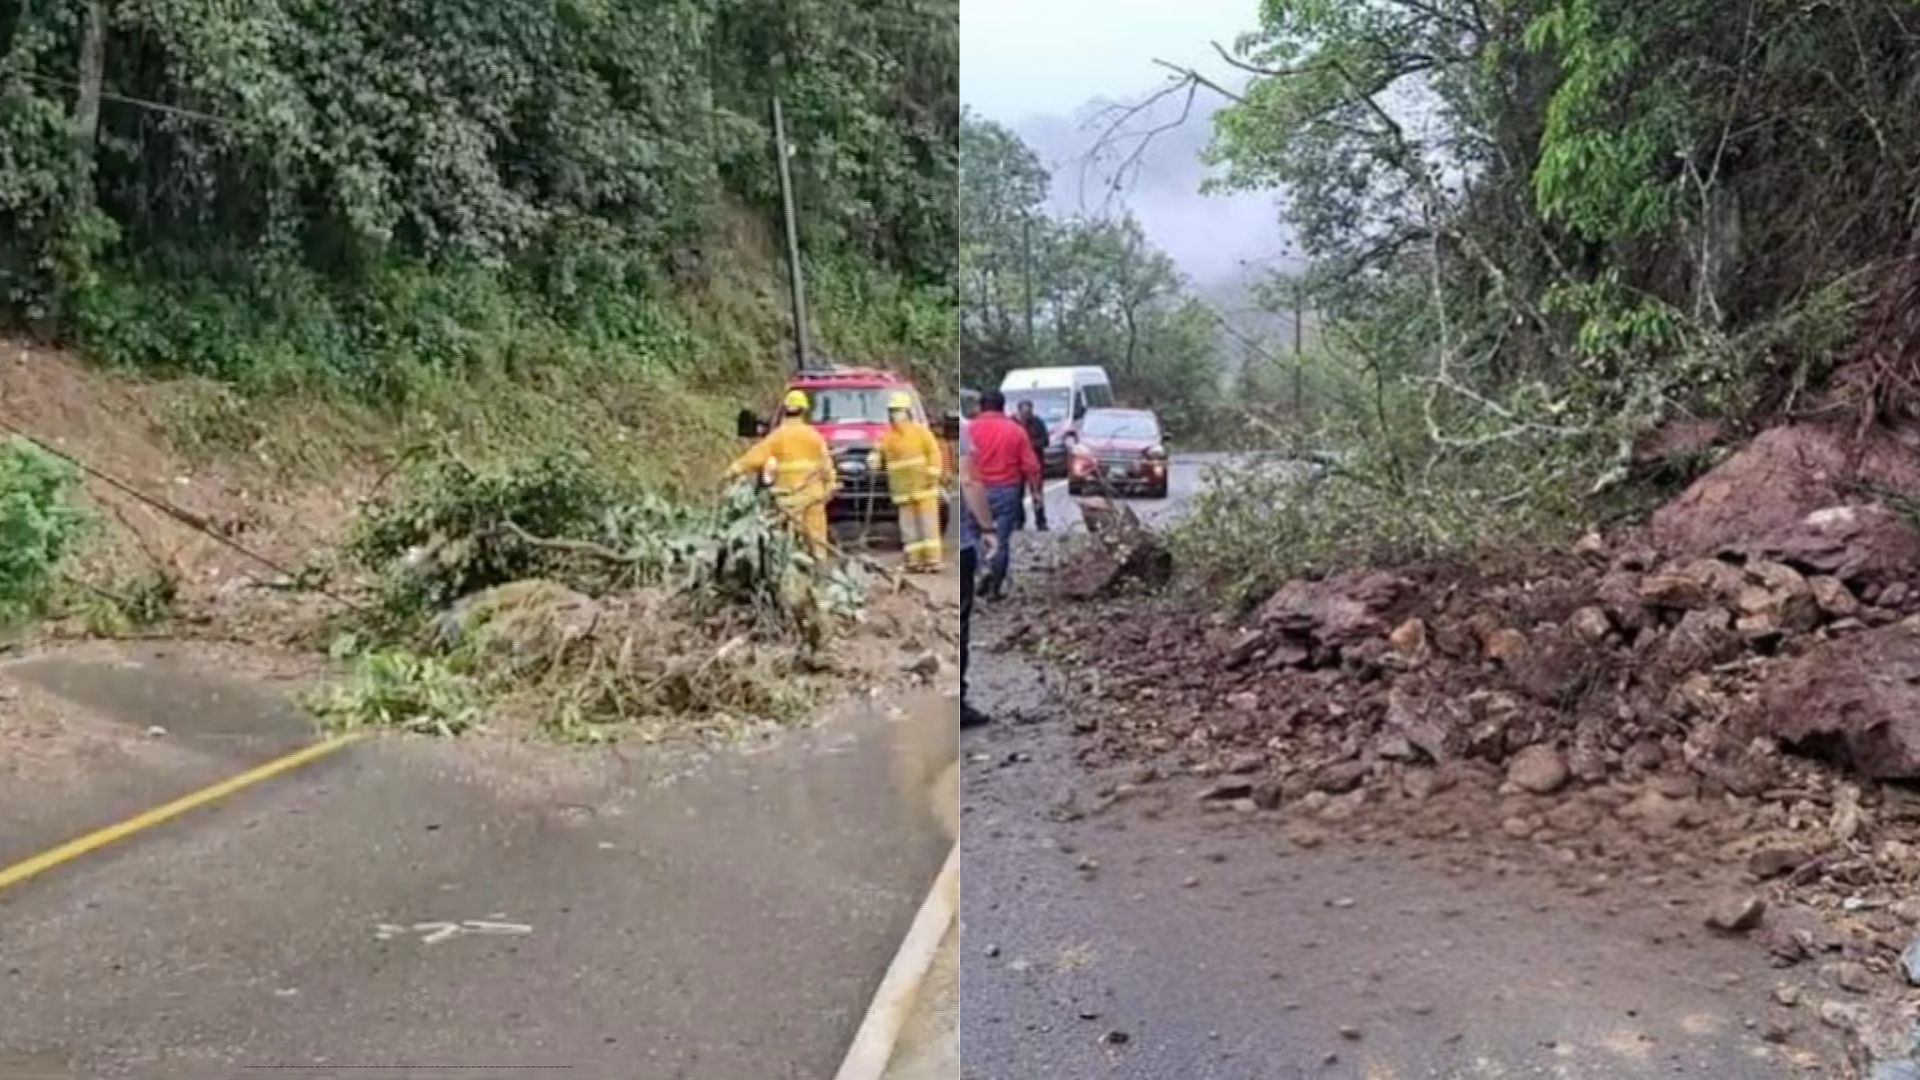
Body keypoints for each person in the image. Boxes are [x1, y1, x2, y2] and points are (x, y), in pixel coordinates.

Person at [727, 389, 837, 557]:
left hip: (788, 497)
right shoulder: (814, 436)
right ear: (804, 411)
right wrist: (830, 484)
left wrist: (733, 470)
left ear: (785, 411)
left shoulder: (777, 437)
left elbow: (755, 457)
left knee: (789, 539)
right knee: (815, 536)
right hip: (813, 496)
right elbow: (826, 464)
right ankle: (819, 563)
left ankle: (793, 565)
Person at [968, 389, 1041, 600]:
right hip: (1006, 490)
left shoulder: (969, 430)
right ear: (1003, 407)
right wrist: (1036, 493)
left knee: (972, 535)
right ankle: (994, 589)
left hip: (975, 490)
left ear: (980, 407)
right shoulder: (1015, 430)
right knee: (1001, 540)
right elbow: (1031, 466)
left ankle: (981, 568)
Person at [868, 392, 944, 572]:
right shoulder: (888, 437)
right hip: (902, 491)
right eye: (892, 411)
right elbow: (879, 457)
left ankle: (932, 561)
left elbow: (934, 454)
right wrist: (873, 459)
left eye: (898, 410)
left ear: (907, 412)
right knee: (909, 529)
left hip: (924, 488)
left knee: (928, 527)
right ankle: (913, 561)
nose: (895, 415)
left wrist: (932, 474)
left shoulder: (921, 432)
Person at [958, 415, 998, 728]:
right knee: (960, 621)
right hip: (959, 545)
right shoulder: (961, 429)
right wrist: (987, 527)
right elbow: (969, 480)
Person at [1014, 399, 1051, 532]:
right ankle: (1018, 521)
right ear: (1019, 411)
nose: (1027, 415)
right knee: (1017, 494)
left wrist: (1029, 445)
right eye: (1024, 412)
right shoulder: (1012, 423)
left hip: (1035, 463)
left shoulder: (1038, 423)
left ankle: (1041, 521)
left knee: (1037, 493)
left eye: (1029, 412)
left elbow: (1045, 441)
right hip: (1017, 465)